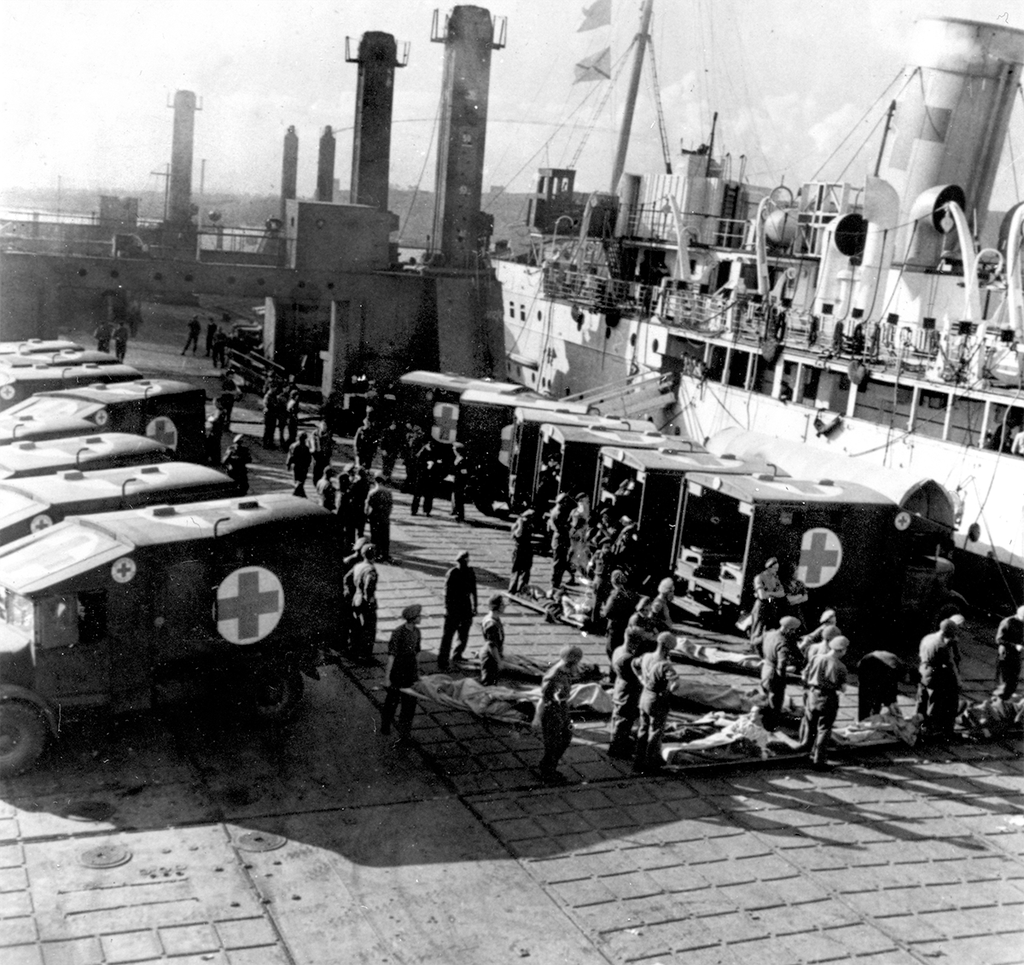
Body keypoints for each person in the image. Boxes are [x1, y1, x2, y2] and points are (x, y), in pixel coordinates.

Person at [535, 644, 584, 782]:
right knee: (553, 743)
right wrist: (537, 718)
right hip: (552, 711)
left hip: (562, 708)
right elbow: (543, 698)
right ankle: (547, 772)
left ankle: (548, 766)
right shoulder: (554, 675)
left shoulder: (566, 671)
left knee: (566, 737)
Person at [800, 635, 849, 770]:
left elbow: (804, 675)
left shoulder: (817, 658)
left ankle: (804, 753)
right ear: (842, 650)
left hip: (812, 695)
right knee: (824, 729)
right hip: (828, 699)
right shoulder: (840, 667)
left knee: (810, 725)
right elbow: (843, 688)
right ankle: (819, 761)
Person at [632, 632, 678, 774]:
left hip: (644, 696)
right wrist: (669, 690)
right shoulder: (665, 665)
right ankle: (652, 764)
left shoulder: (646, 657)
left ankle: (638, 762)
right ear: (668, 648)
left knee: (643, 728)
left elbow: (634, 664)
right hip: (657, 699)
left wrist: (641, 679)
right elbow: (675, 684)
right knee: (656, 731)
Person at [380, 604, 423, 747]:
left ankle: (405, 735)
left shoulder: (417, 632)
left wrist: (417, 674)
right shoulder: (398, 633)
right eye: (419, 616)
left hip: (410, 672)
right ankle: (385, 724)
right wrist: (387, 678)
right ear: (413, 618)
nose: (421, 618)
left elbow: (416, 653)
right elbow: (391, 656)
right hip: (398, 671)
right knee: (391, 701)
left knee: (409, 705)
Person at [916, 617, 962, 743]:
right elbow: (951, 664)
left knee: (922, 701)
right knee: (937, 703)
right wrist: (958, 681)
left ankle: (919, 727)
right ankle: (935, 732)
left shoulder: (928, 638)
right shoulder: (942, 646)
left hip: (922, 671)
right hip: (934, 676)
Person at [607, 627, 648, 759]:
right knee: (624, 720)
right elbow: (638, 674)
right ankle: (617, 748)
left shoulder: (619, 650)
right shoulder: (628, 658)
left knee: (618, 717)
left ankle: (617, 743)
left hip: (620, 687)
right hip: (628, 692)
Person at [437, 551, 478, 671]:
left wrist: (475, 606)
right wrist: (446, 608)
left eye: (465, 560)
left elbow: (474, 590)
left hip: (466, 606)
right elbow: (446, 593)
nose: (464, 563)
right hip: (453, 607)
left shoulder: (470, 572)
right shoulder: (452, 573)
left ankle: (457, 654)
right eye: (462, 561)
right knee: (448, 636)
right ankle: (443, 661)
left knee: (464, 632)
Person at [760, 615, 802, 729]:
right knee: (776, 702)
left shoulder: (769, 634)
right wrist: (783, 678)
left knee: (768, 697)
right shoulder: (782, 644)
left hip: (765, 669)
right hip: (774, 675)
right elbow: (781, 665)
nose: (794, 632)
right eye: (793, 630)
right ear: (789, 629)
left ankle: (767, 721)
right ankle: (771, 726)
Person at [346, 543, 379, 664]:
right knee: (369, 630)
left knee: (356, 627)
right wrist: (369, 600)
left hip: (356, 599)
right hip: (365, 602)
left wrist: (352, 593)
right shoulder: (370, 569)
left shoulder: (358, 565)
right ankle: (365, 657)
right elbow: (369, 588)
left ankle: (353, 651)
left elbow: (347, 578)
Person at [601, 570, 638, 678]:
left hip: (615, 627)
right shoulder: (632, 594)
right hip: (626, 626)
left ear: (613, 581)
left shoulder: (615, 595)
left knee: (611, 650)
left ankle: (612, 675)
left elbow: (607, 613)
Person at [749, 556, 786, 653]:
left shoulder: (775, 578)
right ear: (769, 567)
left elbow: (782, 593)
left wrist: (769, 593)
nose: (776, 571)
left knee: (769, 628)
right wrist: (773, 594)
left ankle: (763, 650)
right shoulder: (759, 578)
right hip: (761, 605)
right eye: (775, 569)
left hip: (770, 603)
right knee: (758, 628)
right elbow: (762, 596)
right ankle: (754, 648)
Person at [856, 650, 903, 720]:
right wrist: (890, 703)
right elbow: (888, 686)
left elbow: (890, 687)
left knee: (871, 697)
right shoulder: (897, 670)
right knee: (868, 697)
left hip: (869, 663)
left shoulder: (896, 668)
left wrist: (892, 702)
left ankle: (867, 719)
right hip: (870, 665)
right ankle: (866, 720)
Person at [994, 604, 1024, 700]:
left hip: (1016, 654)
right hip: (1006, 654)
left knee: (1014, 676)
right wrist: (1014, 646)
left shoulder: (1022, 623)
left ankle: (1009, 694)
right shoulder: (1007, 622)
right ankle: (1001, 697)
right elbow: (999, 639)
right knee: (1005, 677)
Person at [478, 593, 506, 686]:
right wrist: (499, 661)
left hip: (493, 654)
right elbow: (491, 645)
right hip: (491, 657)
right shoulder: (492, 624)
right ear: (496, 606)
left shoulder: (493, 618)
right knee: (489, 683)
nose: (504, 606)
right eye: (502, 604)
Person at [547, 493, 573, 591]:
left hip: (559, 538)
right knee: (558, 563)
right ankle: (554, 584)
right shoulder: (559, 512)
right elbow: (562, 527)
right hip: (560, 539)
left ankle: (556, 583)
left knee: (560, 562)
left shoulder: (557, 510)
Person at [365, 474, 394, 562]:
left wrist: (367, 516)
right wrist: (387, 514)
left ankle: (376, 554)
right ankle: (385, 554)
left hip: (375, 516)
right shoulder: (388, 492)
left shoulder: (372, 492)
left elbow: (367, 506)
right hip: (384, 517)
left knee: (375, 536)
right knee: (385, 537)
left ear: (375, 481)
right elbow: (390, 506)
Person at [411, 438, 440, 517]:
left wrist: (433, 464)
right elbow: (417, 464)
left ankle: (423, 510)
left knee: (426, 495)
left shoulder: (433, 450)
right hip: (423, 475)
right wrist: (427, 465)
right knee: (422, 494)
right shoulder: (423, 451)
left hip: (427, 476)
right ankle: (417, 510)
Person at [509, 509, 535, 594]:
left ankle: (521, 591)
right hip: (519, 549)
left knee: (526, 572)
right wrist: (521, 524)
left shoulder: (529, 524)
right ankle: (512, 591)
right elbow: (518, 534)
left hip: (527, 549)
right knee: (516, 570)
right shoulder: (518, 524)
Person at [286, 432, 313, 497]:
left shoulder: (293, 445)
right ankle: (299, 494)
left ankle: (300, 493)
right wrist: (308, 465)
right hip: (303, 466)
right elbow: (308, 458)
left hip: (297, 466)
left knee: (297, 480)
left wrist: (288, 465)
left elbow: (290, 457)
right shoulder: (305, 447)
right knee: (301, 481)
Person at [450, 443, 470, 523]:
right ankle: (456, 512)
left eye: (454, 449)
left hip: (460, 482)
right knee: (456, 497)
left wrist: (457, 474)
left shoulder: (463, 460)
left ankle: (460, 515)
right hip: (456, 481)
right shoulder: (457, 458)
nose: (453, 451)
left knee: (459, 499)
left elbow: (465, 472)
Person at [310, 420, 334, 485]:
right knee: (316, 472)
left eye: (325, 425)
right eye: (323, 425)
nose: (324, 427)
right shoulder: (315, 433)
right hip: (317, 456)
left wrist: (330, 456)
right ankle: (316, 484)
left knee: (324, 471)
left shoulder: (328, 435)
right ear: (320, 426)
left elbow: (330, 446)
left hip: (325, 457)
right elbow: (311, 442)